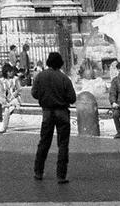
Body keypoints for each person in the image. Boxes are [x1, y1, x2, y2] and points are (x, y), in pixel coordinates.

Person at [31, 51, 77, 183]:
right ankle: (61, 175)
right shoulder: (64, 78)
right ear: (60, 64)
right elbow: (72, 98)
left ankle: (38, 171)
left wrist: (44, 96)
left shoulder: (40, 76)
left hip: (47, 112)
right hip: (62, 112)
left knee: (44, 142)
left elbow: (34, 93)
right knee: (63, 144)